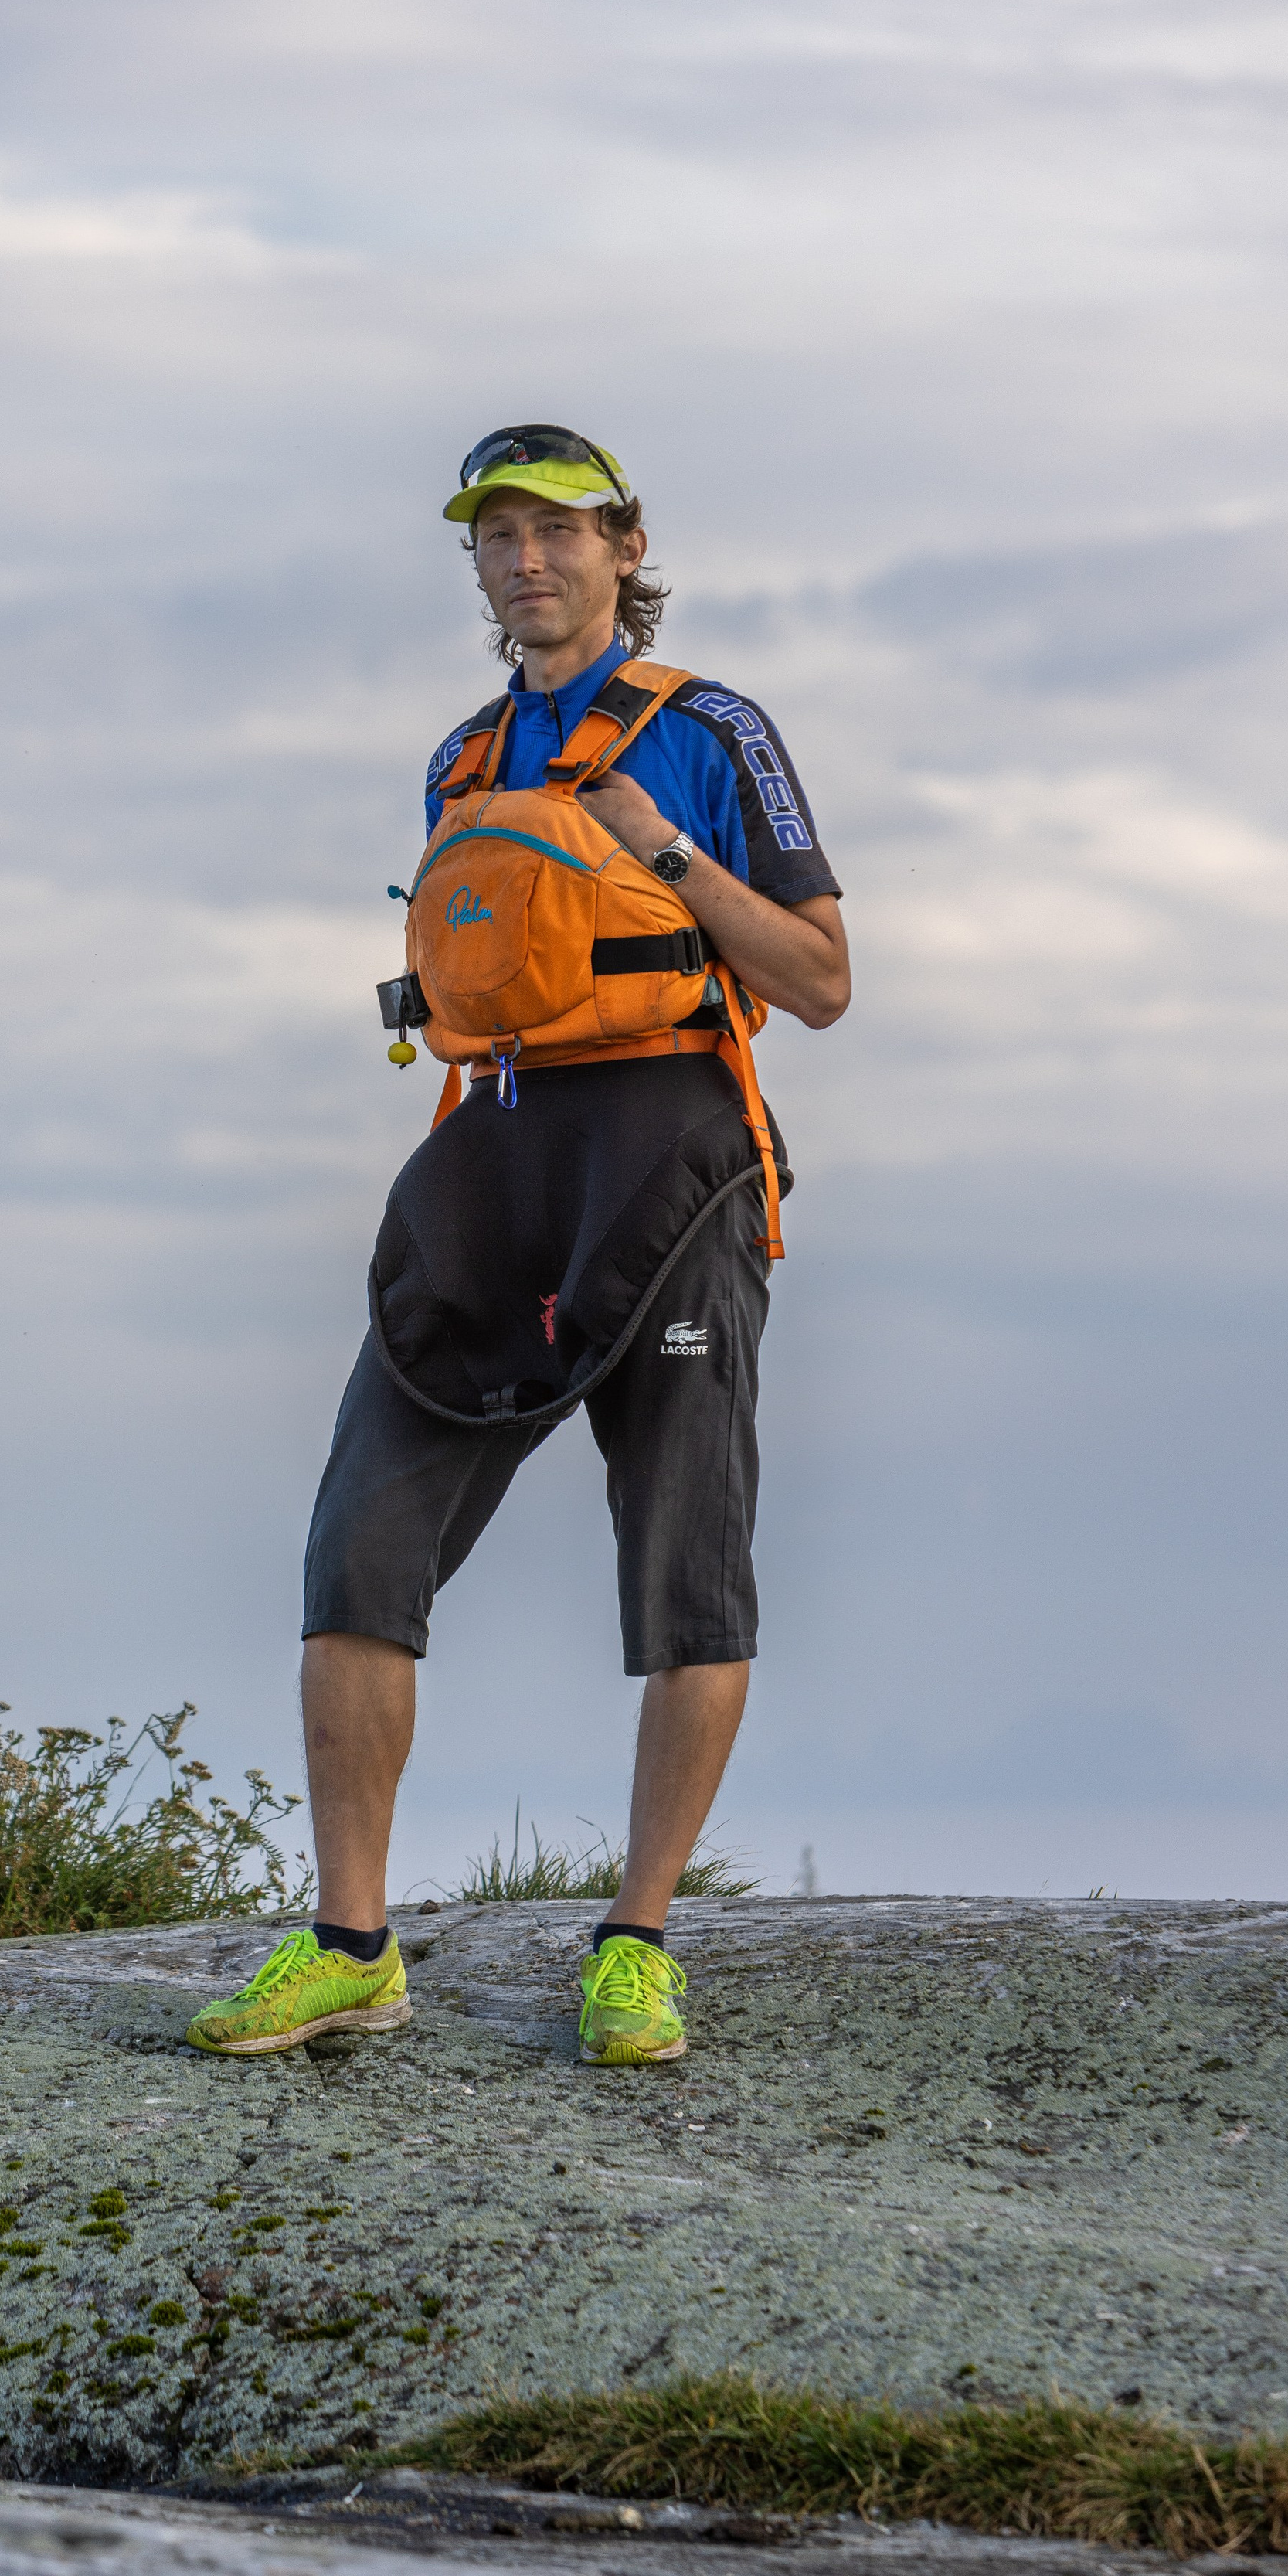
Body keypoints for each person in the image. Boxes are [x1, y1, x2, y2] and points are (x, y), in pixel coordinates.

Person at [188, 426, 848, 2067]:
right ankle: (350, 1939)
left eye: (556, 532)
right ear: (474, 565)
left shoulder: (711, 730)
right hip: (493, 1159)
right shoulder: (458, 761)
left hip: (671, 1153)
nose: (525, 561)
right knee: (358, 1541)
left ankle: (635, 1940)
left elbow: (822, 979)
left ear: (623, 547)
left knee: (685, 1566)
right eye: (495, 537)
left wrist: (668, 852)